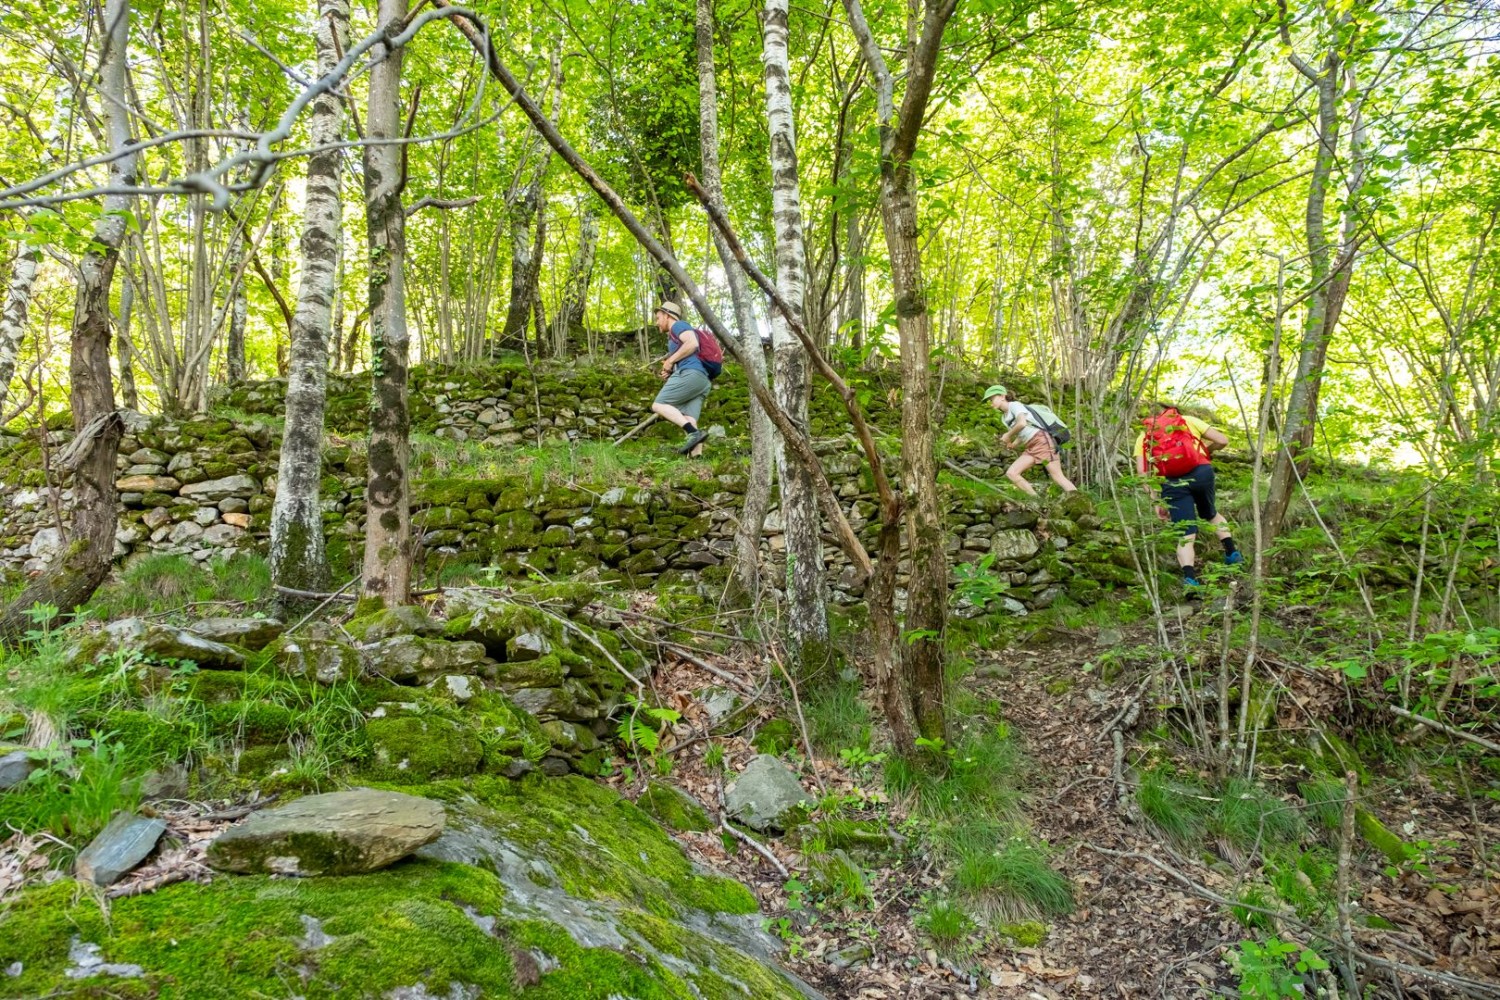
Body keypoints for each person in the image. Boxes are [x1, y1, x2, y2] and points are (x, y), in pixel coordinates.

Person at [1134, 401, 1244, 589]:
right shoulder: (1187, 420)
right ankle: (1232, 553)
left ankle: (1190, 579)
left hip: (1172, 482)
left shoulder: (1145, 435)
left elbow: (1142, 474)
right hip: (1201, 472)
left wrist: (1156, 501)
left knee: (1186, 533)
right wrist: (1207, 452)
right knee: (1210, 513)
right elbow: (1223, 440)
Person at [984, 385, 1078, 497]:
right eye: (989, 400)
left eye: (992, 399)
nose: (990, 402)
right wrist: (1013, 444)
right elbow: (1022, 432)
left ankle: (1080, 501)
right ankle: (1037, 500)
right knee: (1012, 473)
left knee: (1057, 476)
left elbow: (1022, 423)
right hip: (1031, 446)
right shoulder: (1004, 417)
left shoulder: (1014, 406)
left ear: (1002, 396)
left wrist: (1008, 435)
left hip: (1043, 442)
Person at [649, 301, 711, 456]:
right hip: (702, 380)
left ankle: (693, 433)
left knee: (658, 405)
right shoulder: (675, 335)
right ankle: (697, 459)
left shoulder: (678, 326)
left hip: (691, 373)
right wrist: (670, 371)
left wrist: (670, 361)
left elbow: (692, 343)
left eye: (658, 318)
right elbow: (688, 354)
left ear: (667, 315)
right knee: (689, 417)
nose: (657, 323)